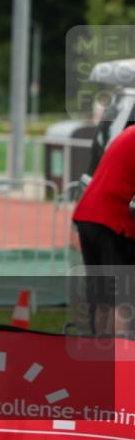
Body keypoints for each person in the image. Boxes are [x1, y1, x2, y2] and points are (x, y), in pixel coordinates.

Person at [72, 123, 135, 336]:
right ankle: (119, 361)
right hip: (112, 221)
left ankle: (102, 360)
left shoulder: (128, 133)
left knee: (104, 298)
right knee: (123, 300)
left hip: (88, 216)